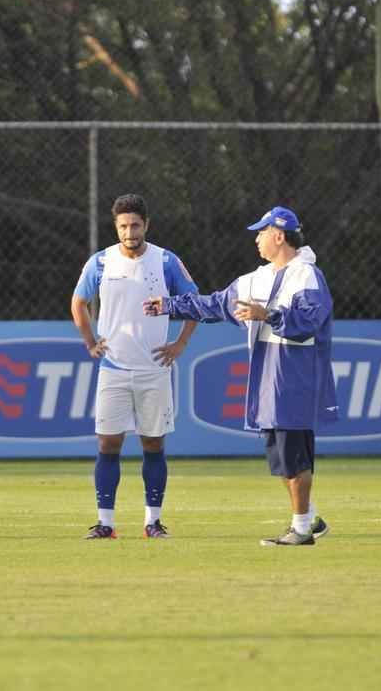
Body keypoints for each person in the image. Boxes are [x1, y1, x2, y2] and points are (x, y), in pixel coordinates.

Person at [144, 206, 336, 546]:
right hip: (268, 378)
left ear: (279, 236)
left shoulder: (307, 275)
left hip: (296, 376)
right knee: (281, 458)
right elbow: (216, 304)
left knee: (294, 455)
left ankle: (302, 529)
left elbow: (309, 321)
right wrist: (170, 305)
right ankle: (310, 518)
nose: (257, 239)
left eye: (262, 233)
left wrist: (268, 314)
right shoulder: (255, 279)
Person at [71, 194, 200, 539]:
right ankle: (106, 524)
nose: (130, 232)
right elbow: (78, 302)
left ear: (146, 225)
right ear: (116, 227)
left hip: (154, 369)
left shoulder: (166, 261)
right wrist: (90, 341)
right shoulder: (101, 262)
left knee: (153, 444)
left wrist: (180, 343)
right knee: (107, 444)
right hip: (113, 368)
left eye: (136, 225)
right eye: (124, 226)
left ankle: (152, 522)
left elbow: (193, 302)